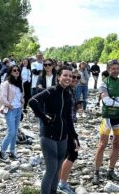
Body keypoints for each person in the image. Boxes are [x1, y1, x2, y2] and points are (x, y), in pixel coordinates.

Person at [29, 66, 79, 194]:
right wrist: (43, 116)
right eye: (65, 75)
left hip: (63, 137)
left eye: (70, 76)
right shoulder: (52, 90)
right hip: (48, 135)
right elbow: (33, 101)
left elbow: (68, 117)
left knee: (57, 169)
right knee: (51, 169)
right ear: (59, 77)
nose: (68, 78)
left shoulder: (67, 93)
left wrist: (74, 137)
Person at [92, 59, 119, 184]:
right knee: (102, 145)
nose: (115, 71)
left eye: (117, 68)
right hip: (107, 117)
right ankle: (96, 172)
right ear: (108, 69)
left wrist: (115, 98)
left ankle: (111, 171)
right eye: (113, 69)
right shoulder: (104, 84)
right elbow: (106, 102)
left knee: (116, 144)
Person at [58, 69, 82, 194]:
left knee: (66, 154)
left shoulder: (72, 90)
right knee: (72, 153)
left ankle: (60, 181)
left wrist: (78, 105)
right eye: (74, 77)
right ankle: (61, 183)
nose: (76, 80)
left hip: (69, 125)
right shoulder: (65, 91)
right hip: (65, 127)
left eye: (78, 78)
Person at [0, 65, 24, 161]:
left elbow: (21, 95)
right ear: (10, 72)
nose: (17, 72)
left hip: (18, 109)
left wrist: (22, 101)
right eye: (14, 70)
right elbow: (2, 97)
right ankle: (2, 151)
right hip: (10, 110)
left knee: (15, 131)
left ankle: (12, 152)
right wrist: (9, 105)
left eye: (18, 70)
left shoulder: (19, 83)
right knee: (11, 132)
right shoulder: (6, 84)